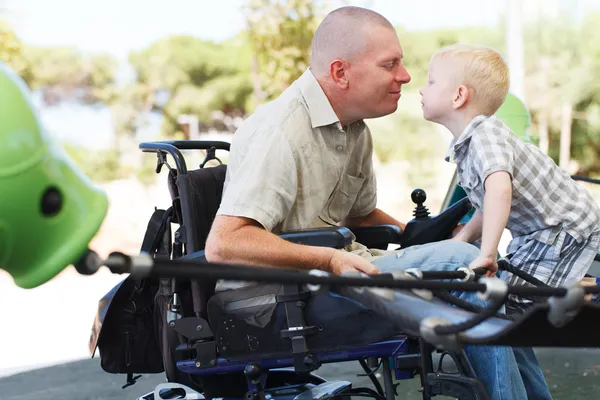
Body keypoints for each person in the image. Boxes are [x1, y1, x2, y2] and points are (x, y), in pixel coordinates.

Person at [206, 6, 553, 399]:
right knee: (462, 264)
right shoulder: (280, 132)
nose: (405, 76)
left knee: (482, 277)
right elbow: (225, 244)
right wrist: (329, 259)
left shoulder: (353, 129)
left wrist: (419, 237)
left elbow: (360, 213)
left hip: (337, 273)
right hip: (277, 299)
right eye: (390, 64)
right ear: (340, 73)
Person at [419, 43, 600, 315]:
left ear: (458, 96)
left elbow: (500, 192)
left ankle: (593, 295)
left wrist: (488, 253)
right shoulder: (468, 143)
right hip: (539, 231)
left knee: (522, 300)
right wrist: (464, 239)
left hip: (565, 227)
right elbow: (486, 203)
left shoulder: (485, 136)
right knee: (512, 289)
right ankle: (586, 288)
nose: (422, 89)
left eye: (431, 82)